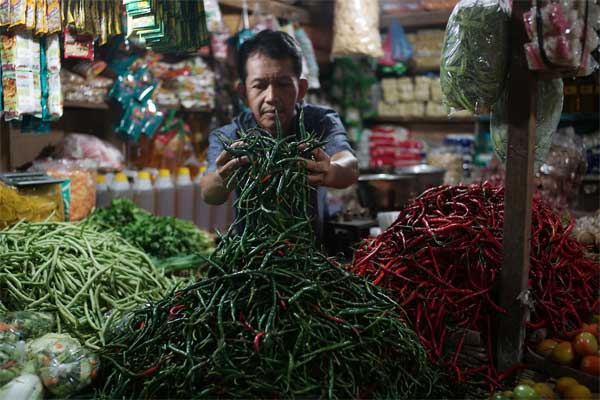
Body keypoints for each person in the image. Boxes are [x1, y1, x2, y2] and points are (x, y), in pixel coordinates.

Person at [200, 30, 358, 237]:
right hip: (252, 254)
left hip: (309, 253)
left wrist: (331, 171)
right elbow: (209, 192)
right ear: (243, 93)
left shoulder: (319, 122)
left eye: (283, 84)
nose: (271, 97)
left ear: (301, 89)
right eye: (259, 86)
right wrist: (223, 178)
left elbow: (349, 165)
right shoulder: (232, 135)